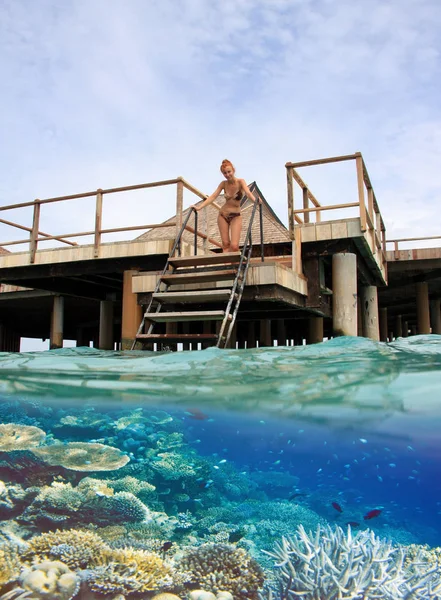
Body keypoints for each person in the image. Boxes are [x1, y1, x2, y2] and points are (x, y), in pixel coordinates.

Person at [191, 159, 261, 253]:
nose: (227, 175)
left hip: (236, 215)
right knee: (225, 244)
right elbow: (213, 196)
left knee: (234, 246)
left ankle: (235, 265)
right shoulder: (223, 184)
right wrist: (199, 207)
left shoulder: (240, 182)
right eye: (224, 173)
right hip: (223, 215)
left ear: (233, 170)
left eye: (229, 172)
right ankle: (228, 266)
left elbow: (248, 193)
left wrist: (256, 201)